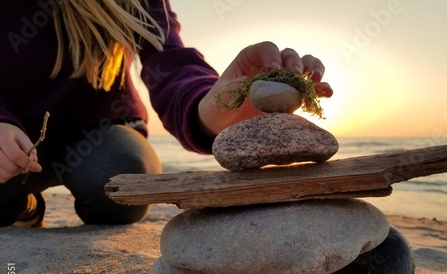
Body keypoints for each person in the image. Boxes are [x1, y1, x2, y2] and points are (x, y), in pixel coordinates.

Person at [0, 0, 333, 228]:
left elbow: (171, 63)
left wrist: (212, 106)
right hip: (10, 133)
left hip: (98, 129)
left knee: (120, 182)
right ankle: (24, 205)